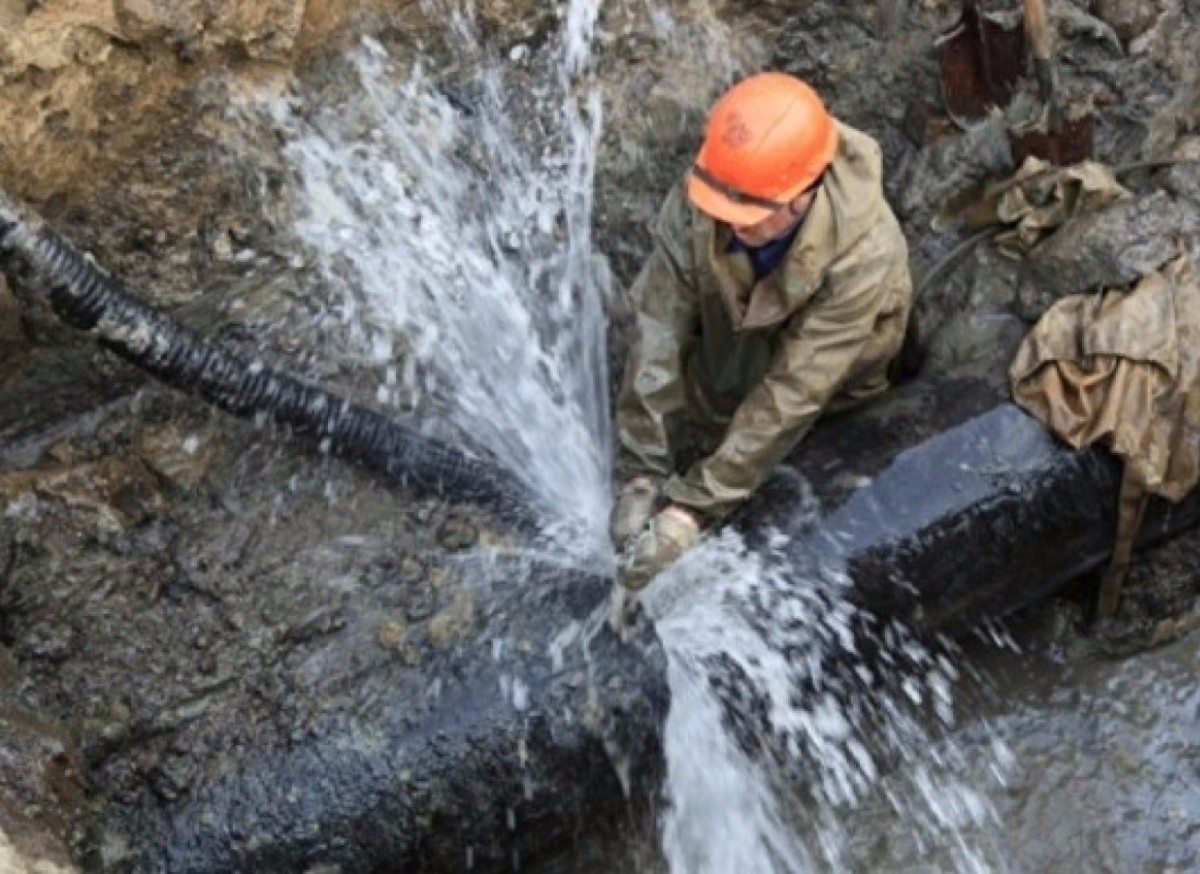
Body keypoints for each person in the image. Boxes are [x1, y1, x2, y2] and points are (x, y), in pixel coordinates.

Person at [612, 72, 913, 591]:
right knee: (701, 408)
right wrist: (643, 467)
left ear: (804, 195)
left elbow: (795, 391)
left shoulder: (866, 255)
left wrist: (692, 509)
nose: (731, 224)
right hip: (730, 350)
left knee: (787, 486)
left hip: (831, 396)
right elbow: (658, 322)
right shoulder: (716, 187)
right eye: (723, 210)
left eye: (751, 215)